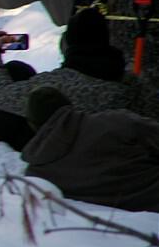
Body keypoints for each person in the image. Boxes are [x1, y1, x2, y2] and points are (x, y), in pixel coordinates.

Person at [0, 7, 132, 150]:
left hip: (61, 154)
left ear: (69, 42)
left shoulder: (59, 83)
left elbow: (3, 95)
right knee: (19, 71)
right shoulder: (127, 84)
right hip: (110, 148)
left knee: (14, 73)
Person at [21, 86, 159, 213]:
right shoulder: (116, 122)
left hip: (116, 230)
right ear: (69, 106)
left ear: (32, 125)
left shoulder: (36, 175)